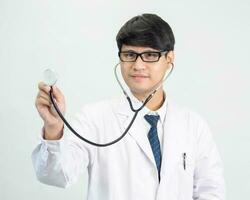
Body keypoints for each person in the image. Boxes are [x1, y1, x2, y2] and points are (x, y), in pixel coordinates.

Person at [32, 13, 225, 200]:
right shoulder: (94, 119)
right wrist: (54, 128)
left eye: (150, 55)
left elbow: (211, 192)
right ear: (120, 58)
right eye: (130, 54)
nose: (138, 65)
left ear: (169, 59)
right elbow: (56, 175)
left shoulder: (193, 126)